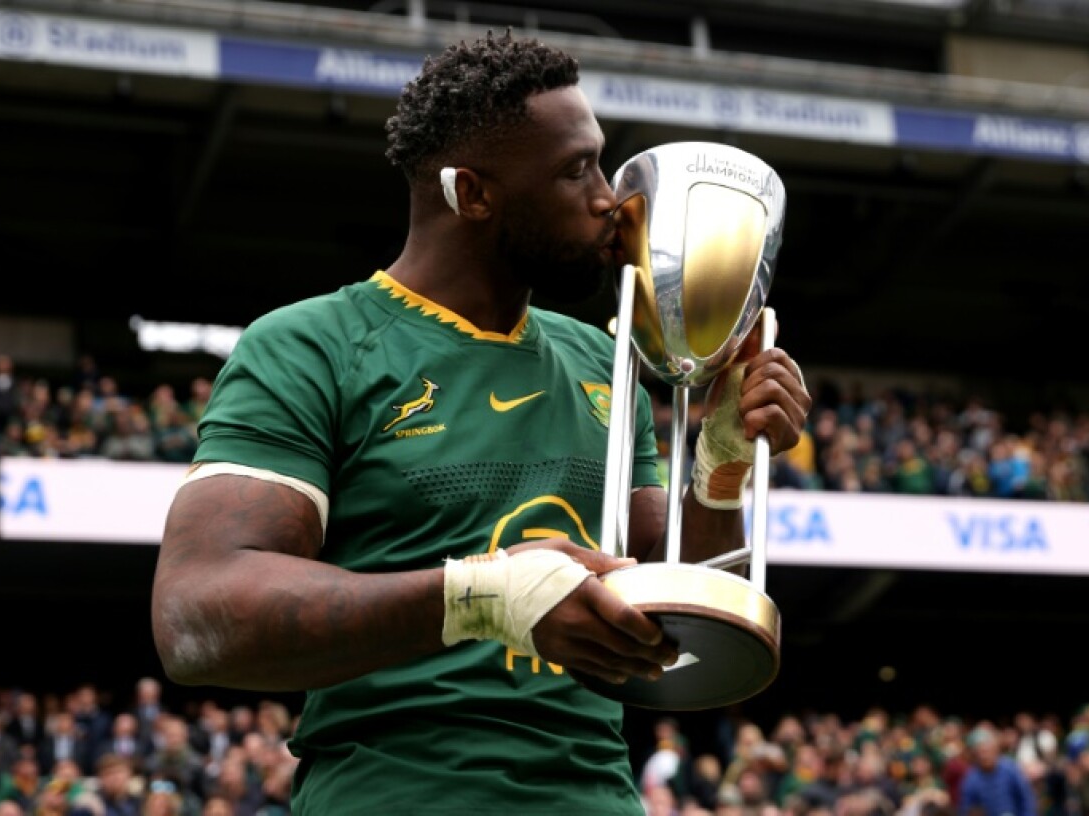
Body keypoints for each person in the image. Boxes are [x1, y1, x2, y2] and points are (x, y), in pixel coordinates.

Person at [150, 28, 810, 815]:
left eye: (599, 161)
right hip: (394, 794)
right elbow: (196, 611)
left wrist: (721, 465)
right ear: (473, 194)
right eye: (575, 171)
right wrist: (479, 598)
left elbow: (672, 621)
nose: (610, 198)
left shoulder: (607, 361)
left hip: (596, 796)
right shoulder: (309, 346)